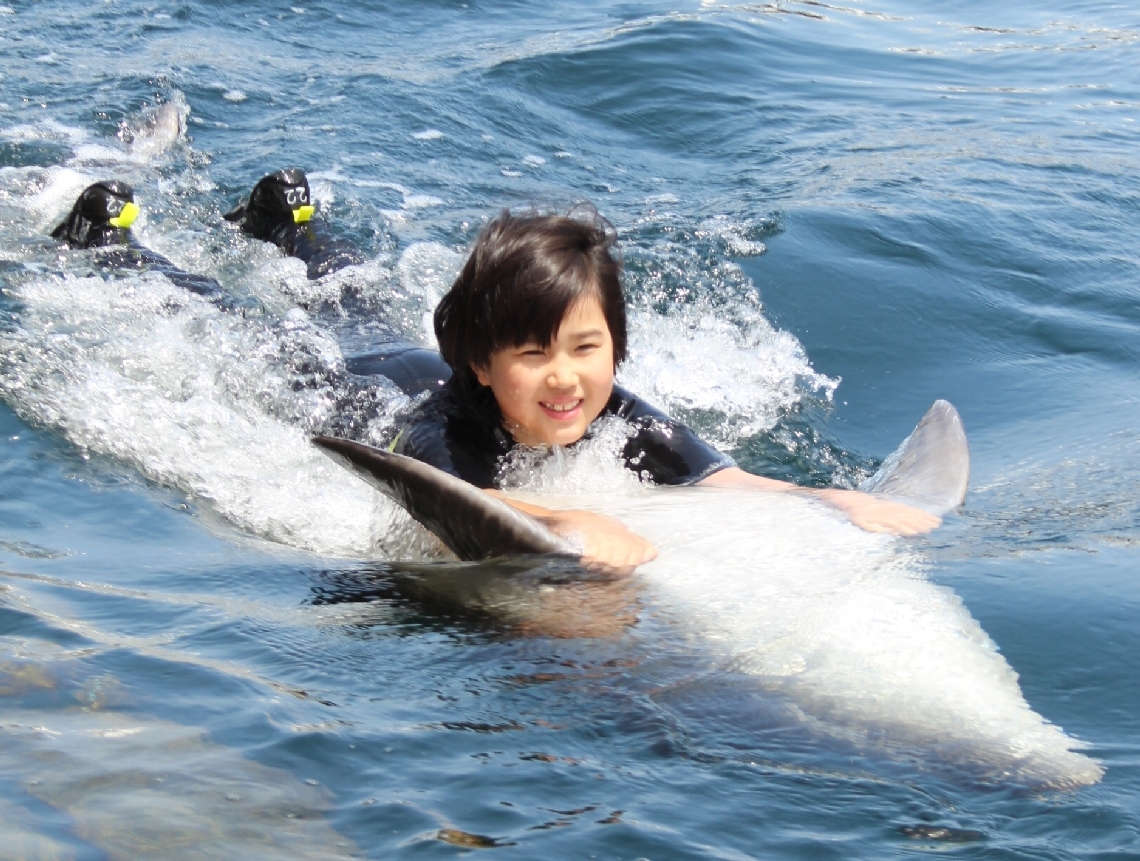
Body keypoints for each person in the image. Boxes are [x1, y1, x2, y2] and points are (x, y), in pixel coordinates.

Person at [383, 208, 941, 573]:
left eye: (585, 349)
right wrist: (563, 520)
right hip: (378, 375)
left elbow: (725, 481)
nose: (563, 377)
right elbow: (466, 498)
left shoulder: (620, 418)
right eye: (533, 355)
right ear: (482, 364)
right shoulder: (444, 429)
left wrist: (831, 499)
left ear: (617, 347)